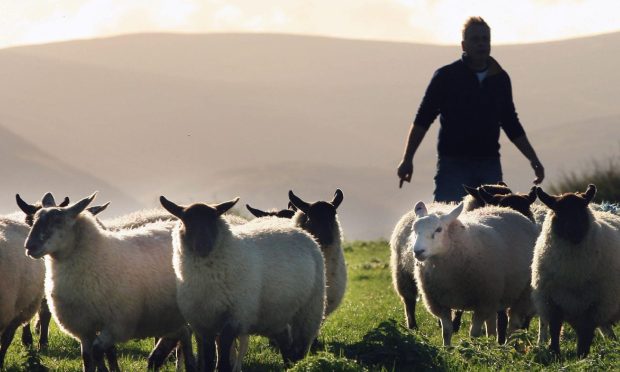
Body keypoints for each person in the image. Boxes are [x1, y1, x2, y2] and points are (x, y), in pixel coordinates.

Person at [397, 16, 544, 200]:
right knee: (448, 222)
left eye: (485, 39)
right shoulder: (446, 77)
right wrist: (408, 158)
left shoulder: (500, 79)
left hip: (489, 162)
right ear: (464, 45)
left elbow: (510, 123)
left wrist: (533, 159)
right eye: (475, 39)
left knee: (492, 221)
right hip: (453, 164)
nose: (481, 44)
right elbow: (423, 119)